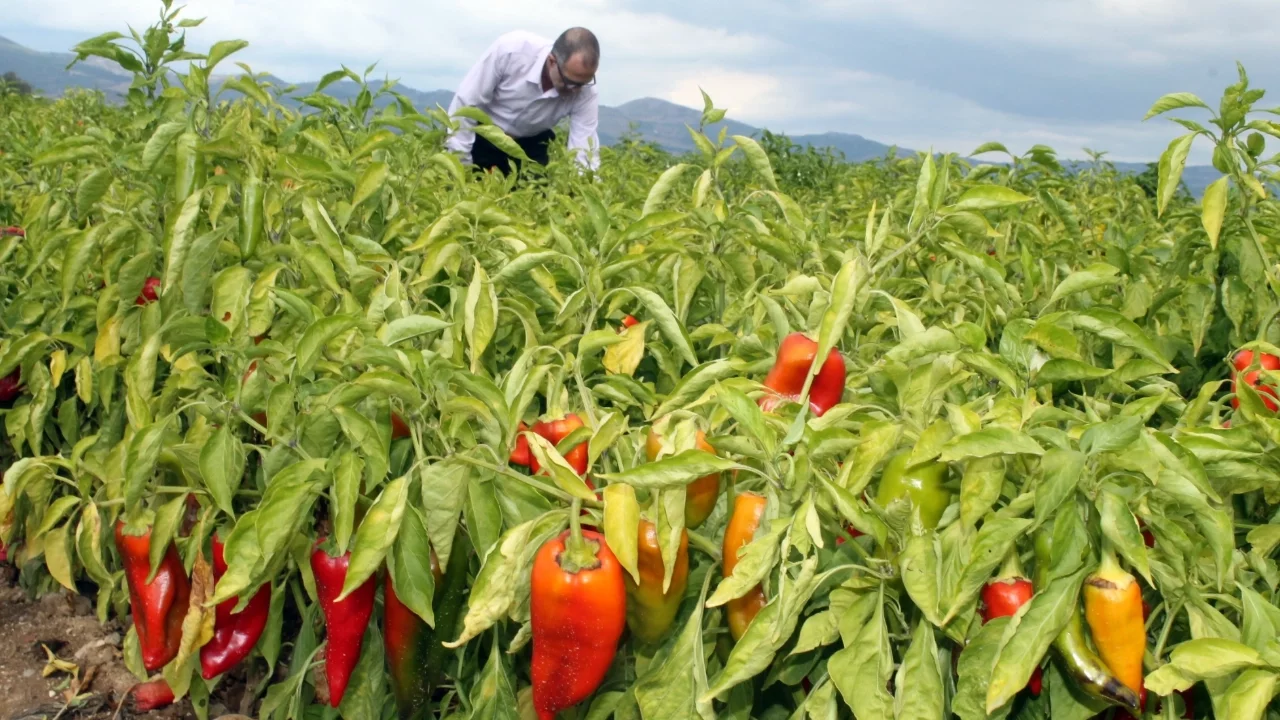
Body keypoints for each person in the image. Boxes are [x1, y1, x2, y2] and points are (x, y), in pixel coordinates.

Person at [444, 28, 601, 177]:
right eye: (569, 82)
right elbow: (467, 104)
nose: (576, 90)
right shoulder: (511, 51)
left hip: (530, 145)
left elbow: (584, 151)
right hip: (483, 135)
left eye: (584, 83)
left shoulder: (587, 91)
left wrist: (585, 187)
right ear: (552, 61)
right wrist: (460, 166)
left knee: (533, 193)